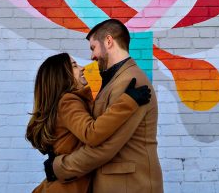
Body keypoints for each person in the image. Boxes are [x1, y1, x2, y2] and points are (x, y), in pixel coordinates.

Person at [44, 19, 163, 193]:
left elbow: (106, 146)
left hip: (129, 185)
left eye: (93, 48)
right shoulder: (115, 79)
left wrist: (60, 167)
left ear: (108, 41)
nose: (92, 56)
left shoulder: (131, 81)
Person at [27, 52, 152, 193]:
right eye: (74, 66)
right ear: (62, 75)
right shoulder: (68, 101)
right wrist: (128, 101)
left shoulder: (65, 102)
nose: (82, 68)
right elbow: (91, 133)